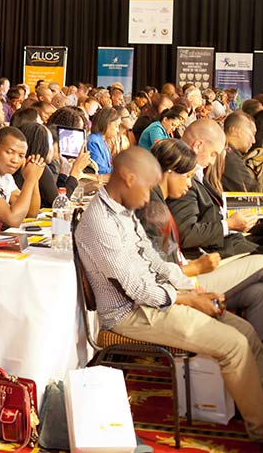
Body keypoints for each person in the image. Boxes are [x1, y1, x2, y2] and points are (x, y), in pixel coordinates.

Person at [74, 146, 263, 443]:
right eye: (148, 186)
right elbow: (136, 289)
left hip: (156, 300)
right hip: (129, 314)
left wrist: (191, 288)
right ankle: (259, 429)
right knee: (234, 345)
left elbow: (153, 260)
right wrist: (188, 299)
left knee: (246, 332)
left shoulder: (122, 209)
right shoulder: (100, 223)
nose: (149, 198)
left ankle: (255, 405)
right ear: (128, 178)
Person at [139, 138, 263, 338]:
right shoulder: (152, 209)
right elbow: (159, 273)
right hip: (179, 287)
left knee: (258, 293)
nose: (189, 183)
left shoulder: (157, 202)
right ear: (169, 171)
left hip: (184, 275)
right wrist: (196, 269)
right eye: (187, 176)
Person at [168, 119, 260, 258]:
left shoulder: (194, 174)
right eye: (213, 154)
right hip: (216, 253)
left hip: (228, 242)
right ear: (198, 146)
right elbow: (186, 234)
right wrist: (229, 224)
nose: (212, 162)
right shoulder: (182, 180)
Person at [221, 111, 258, 192]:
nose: (253, 141)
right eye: (252, 134)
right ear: (235, 130)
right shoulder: (228, 157)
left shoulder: (226, 152)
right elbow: (249, 191)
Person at [86, 107, 120, 175]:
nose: (118, 130)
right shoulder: (93, 141)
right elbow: (100, 169)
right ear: (107, 124)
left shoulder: (103, 141)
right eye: (116, 126)